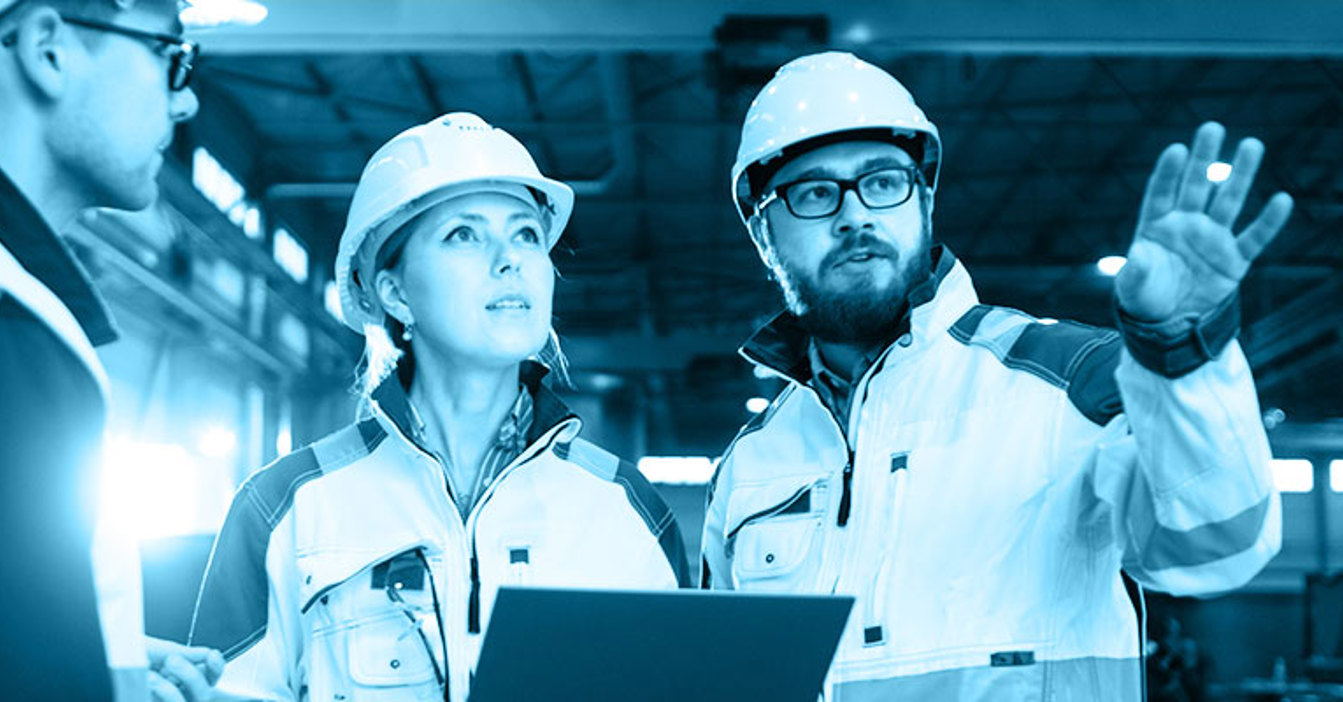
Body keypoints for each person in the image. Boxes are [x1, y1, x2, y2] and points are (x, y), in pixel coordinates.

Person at [701, 51, 1290, 700]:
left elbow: (1221, 547)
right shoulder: (750, 464)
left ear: (924, 201)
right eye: (814, 193)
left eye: (883, 182)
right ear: (764, 235)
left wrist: (1178, 355)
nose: (855, 215)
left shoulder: (1071, 383)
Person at [189, 111, 691, 702]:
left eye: (527, 234)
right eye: (464, 235)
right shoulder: (286, 509)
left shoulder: (626, 508)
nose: (510, 260)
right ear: (396, 293)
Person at [0, 0, 225, 700]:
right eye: (171, 56)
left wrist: (97, 655)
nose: (185, 101)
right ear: (49, 49)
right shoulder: (16, 331)